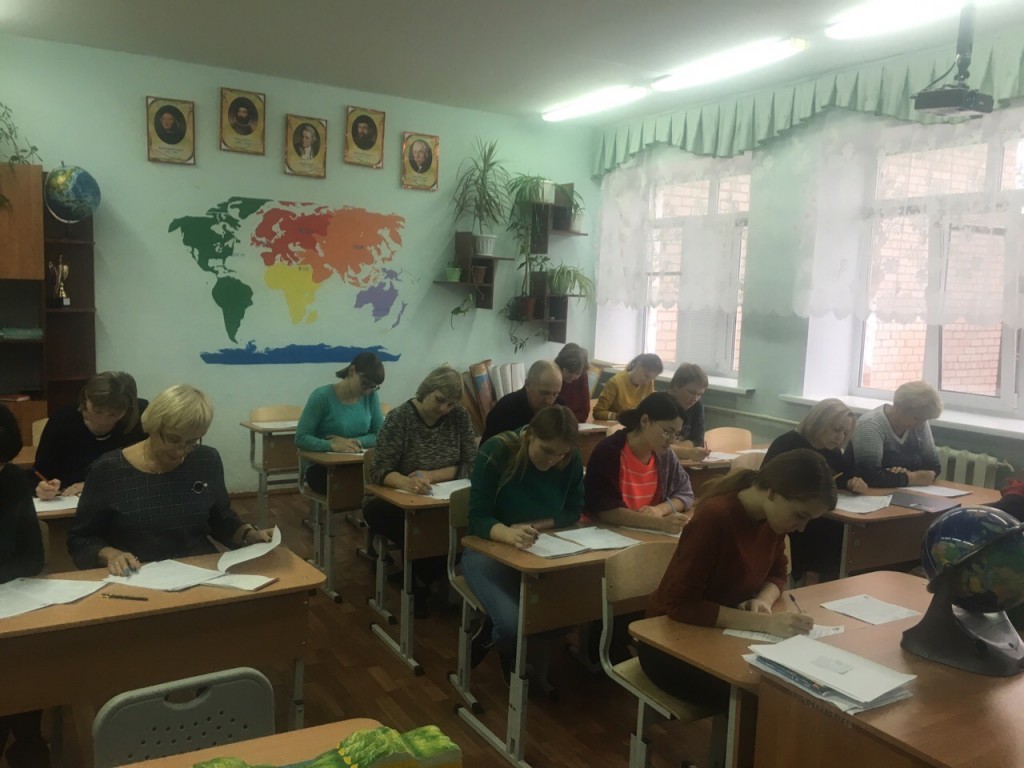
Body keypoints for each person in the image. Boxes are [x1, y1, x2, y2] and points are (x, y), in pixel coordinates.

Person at [642, 449, 837, 708]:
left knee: (795, 684)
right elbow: (681, 605)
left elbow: (778, 573)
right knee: (769, 694)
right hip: (668, 644)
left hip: (722, 635)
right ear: (772, 492)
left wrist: (763, 600)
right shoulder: (715, 517)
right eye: (800, 516)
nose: (801, 528)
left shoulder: (772, 519)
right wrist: (764, 624)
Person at [66, 385, 272, 574]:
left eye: (192, 441)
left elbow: (221, 520)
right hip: (139, 573)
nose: (181, 451)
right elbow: (80, 539)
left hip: (200, 570)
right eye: (173, 439)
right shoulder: (108, 470)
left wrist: (249, 535)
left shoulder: (206, 460)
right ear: (152, 426)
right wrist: (112, 555)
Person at [463, 406, 584, 678]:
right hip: (488, 549)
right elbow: (477, 518)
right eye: (547, 450)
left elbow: (574, 510)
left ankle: (503, 643)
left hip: (541, 548)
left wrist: (535, 526)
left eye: (561, 454)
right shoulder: (497, 450)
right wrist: (509, 533)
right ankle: (500, 644)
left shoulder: (569, 458)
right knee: (512, 626)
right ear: (529, 435)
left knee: (568, 618)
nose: (553, 460)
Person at [362, 366, 477, 618]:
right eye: (439, 400)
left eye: (451, 403)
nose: (444, 408)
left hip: (442, 498)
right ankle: (418, 584)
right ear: (426, 390)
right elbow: (378, 470)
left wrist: (431, 475)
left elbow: (472, 463)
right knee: (425, 533)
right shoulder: (400, 418)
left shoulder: (459, 416)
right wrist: (407, 482)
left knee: (466, 532)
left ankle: (418, 579)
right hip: (391, 500)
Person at [763, 398, 866, 581]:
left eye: (845, 432)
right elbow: (768, 482)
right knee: (835, 535)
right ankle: (815, 582)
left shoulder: (833, 450)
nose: (840, 438)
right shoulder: (788, 444)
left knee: (847, 534)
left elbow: (845, 477)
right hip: (793, 517)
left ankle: (831, 583)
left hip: (820, 515)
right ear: (819, 422)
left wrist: (855, 482)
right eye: (836, 430)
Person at [0, 404, 49, 766]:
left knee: (30, 668)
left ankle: (28, 744)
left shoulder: (12, 479)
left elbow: (32, 557)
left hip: (10, 606)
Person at [584, 392, 694, 535]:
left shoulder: (665, 455)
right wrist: (658, 523)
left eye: (676, 435)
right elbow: (605, 510)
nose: (672, 440)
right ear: (645, 421)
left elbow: (686, 493)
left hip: (646, 535)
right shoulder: (609, 452)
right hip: (608, 534)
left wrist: (660, 509)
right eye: (667, 432)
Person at [33, 371, 146, 500]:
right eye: (97, 411)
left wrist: (95, 485)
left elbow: (145, 471)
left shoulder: (140, 419)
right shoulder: (63, 420)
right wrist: (42, 488)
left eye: (113, 415)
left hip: (123, 499)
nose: (103, 421)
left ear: (128, 409)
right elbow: (39, 473)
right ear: (86, 398)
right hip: (68, 501)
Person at [295, 352, 385, 494]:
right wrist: (332, 445)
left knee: (382, 482)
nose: (367, 391)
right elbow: (301, 438)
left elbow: (379, 435)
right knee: (354, 485)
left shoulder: (371, 397)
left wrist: (354, 442)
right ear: (352, 371)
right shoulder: (322, 396)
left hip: (358, 463)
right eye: (365, 384)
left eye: (373, 386)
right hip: (323, 468)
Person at [850, 380, 942, 488]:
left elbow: (933, 467)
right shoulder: (871, 424)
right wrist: (912, 477)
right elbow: (870, 476)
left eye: (925, 419)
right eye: (917, 418)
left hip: (900, 490)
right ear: (899, 408)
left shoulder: (920, 423)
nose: (921, 424)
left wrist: (902, 475)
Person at [480, 360, 567, 442]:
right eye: (544, 393)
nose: (550, 401)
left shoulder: (560, 408)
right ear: (527, 384)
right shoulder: (504, 410)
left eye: (555, 394)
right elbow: (486, 450)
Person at [592, 353, 663, 421]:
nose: (647, 381)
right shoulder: (615, 382)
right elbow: (598, 412)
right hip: (616, 424)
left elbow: (649, 408)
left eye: (651, 378)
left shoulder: (649, 383)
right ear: (638, 365)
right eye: (646, 376)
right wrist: (619, 416)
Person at [666, 363, 710, 461]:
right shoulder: (658, 403)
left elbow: (698, 442)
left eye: (699, 394)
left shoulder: (697, 406)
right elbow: (654, 445)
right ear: (675, 387)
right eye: (691, 392)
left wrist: (673, 447)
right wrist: (686, 451)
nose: (695, 399)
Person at [555, 343, 591, 423]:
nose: (573, 377)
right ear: (561, 366)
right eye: (570, 372)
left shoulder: (583, 375)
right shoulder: (553, 374)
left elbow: (585, 410)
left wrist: (571, 422)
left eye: (577, 373)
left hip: (575, 423)